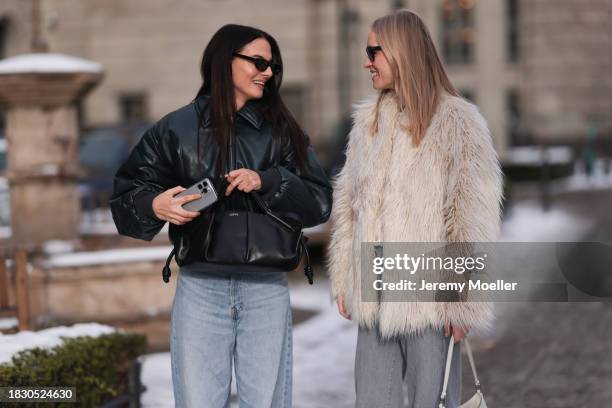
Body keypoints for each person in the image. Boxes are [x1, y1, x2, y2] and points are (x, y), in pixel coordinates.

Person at [110, 24, 332, 407]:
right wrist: (154, 205)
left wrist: (268, 180)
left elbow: (319, 201)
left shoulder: (282, 132)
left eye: (273, 66)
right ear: (224, 60)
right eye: (259, 62)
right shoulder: (175, 130)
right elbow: (127, 194)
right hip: (201, 288)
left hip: (266, 288)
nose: (267, 72)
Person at [326, 10, 503, 408]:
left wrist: (463, 299)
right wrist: (344, 276)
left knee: (434, 402)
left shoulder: (459, 122)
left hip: (431, 304)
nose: (366, 61)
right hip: (375, 298)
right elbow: (350, 206)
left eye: (374, 51)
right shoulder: (367, 122)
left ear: (401, 52)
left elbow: (471, 221)